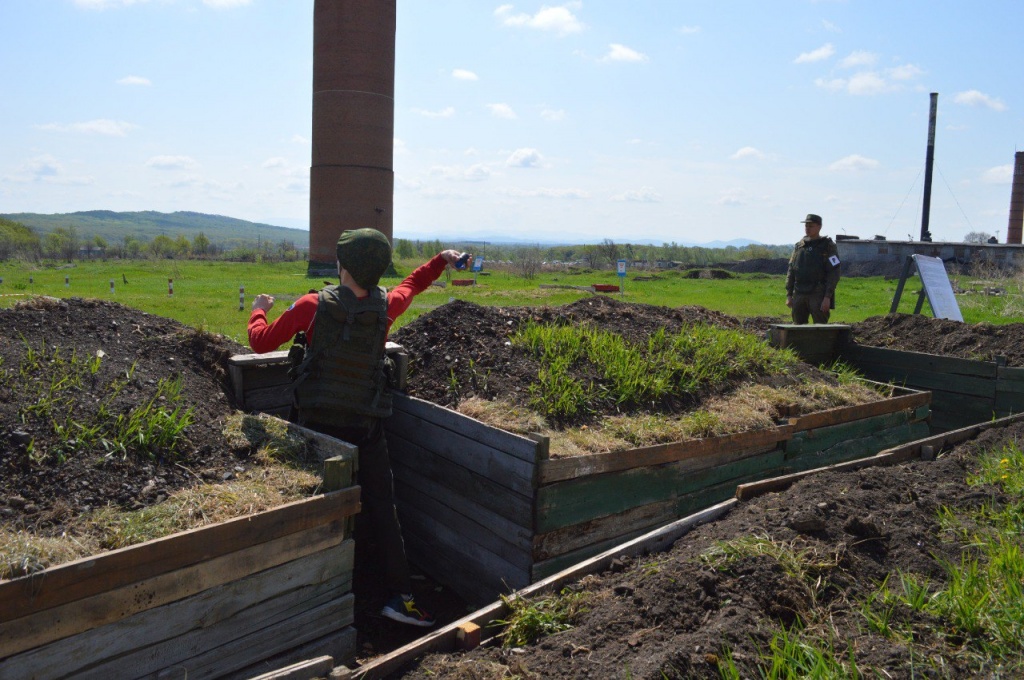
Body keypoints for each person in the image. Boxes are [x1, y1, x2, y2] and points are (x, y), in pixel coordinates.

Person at [248, 228, 468, 628]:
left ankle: (306, 598)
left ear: (341, 265)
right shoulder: (387, 306)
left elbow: (260, 343)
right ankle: (400, 597)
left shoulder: (311, 305)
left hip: (314, 430)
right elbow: (412, 284)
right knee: (384, 508)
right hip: (366, 425)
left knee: (313, 507)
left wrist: (258, 308)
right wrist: (441, 259)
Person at [785, 214, 841, 324]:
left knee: (820, 328)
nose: (807, 228)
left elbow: (834, 272)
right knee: (797, 328)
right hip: (799, 292)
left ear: (819, 227)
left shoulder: (828, 246)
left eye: (811, 226)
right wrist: (789, 294)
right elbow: (791, 270)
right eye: (806, 226)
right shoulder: (799, 246)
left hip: (818, 293)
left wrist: (827, 297)